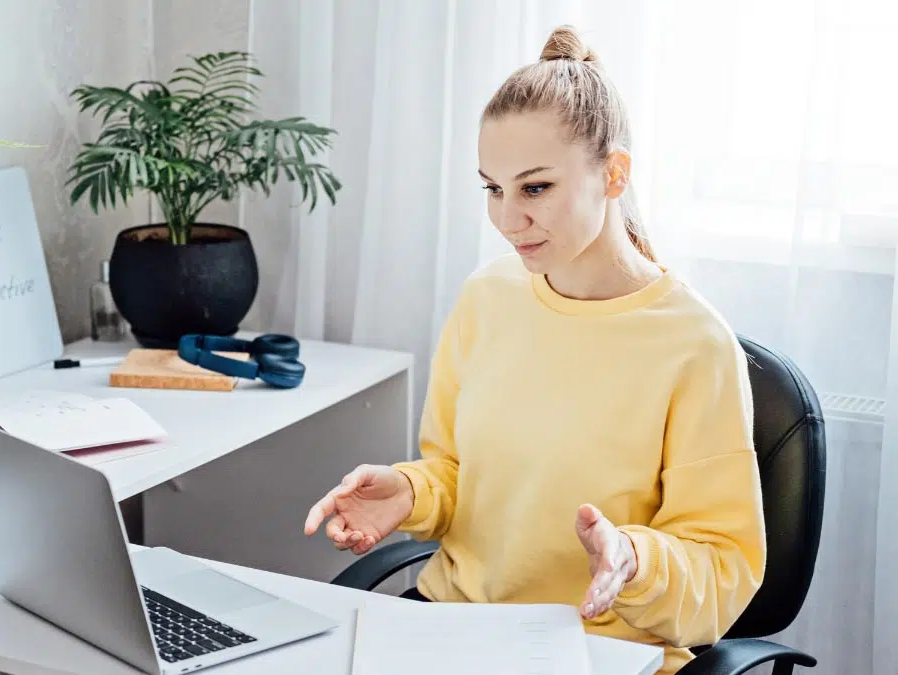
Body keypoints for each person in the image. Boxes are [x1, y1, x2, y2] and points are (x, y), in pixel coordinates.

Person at [302, 24, 766, 675]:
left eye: (535, 187)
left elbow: (722, 569)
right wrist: (408, 492)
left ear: (614, 174)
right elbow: (459, 474)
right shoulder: (487, 297)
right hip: (452, 629)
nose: (506, 217)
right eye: (492, 188)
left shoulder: (694, 344)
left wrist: (632, 560)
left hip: (598, 652)